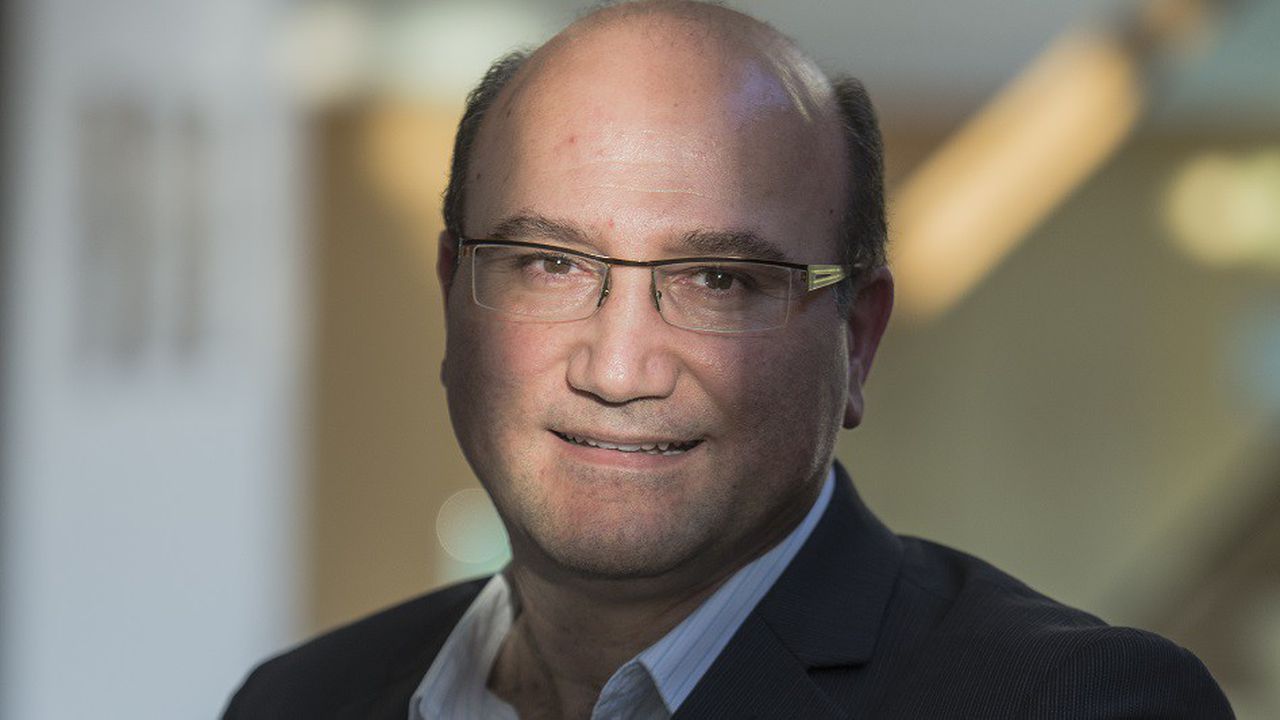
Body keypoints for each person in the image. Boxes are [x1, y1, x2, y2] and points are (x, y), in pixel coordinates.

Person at [223, 1, 1233, 717]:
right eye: (548, 263)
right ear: (454, 294)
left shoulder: (1073, 706)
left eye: (718, 281)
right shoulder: (297, 701)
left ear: (856, 338)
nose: (618, 371)